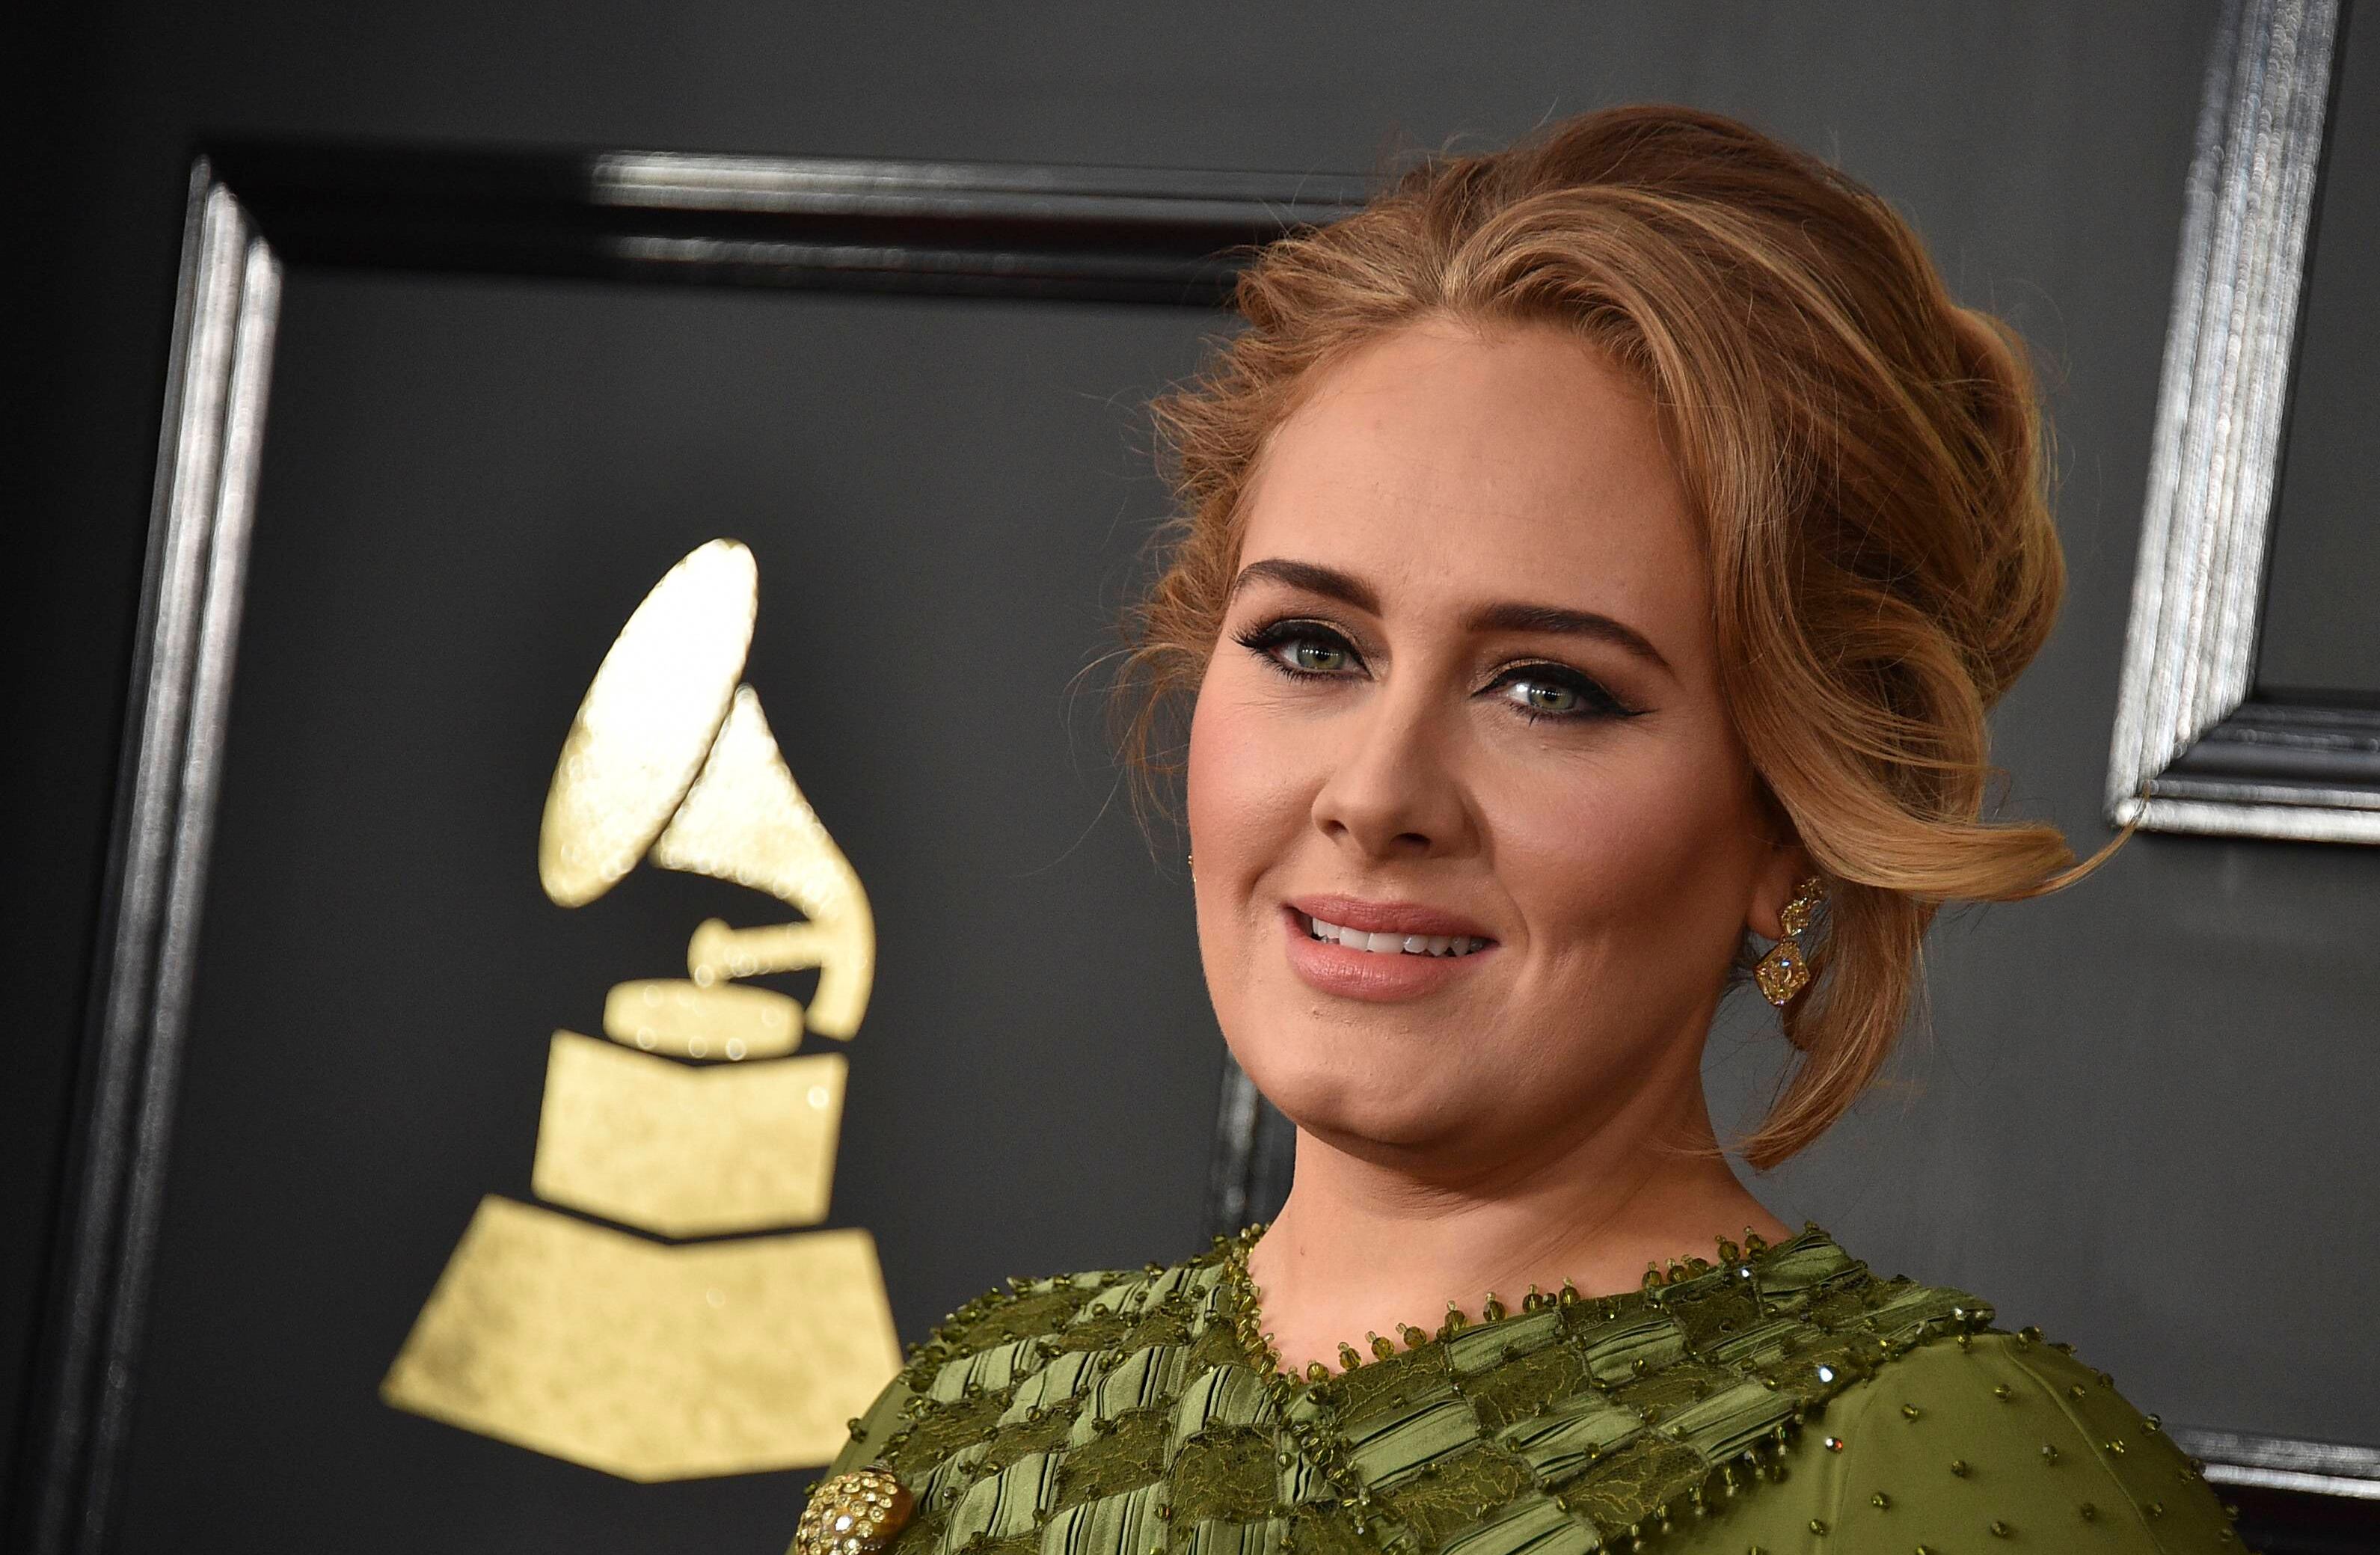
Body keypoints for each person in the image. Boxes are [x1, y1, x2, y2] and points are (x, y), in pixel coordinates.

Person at [788, 105, 2240, 1555]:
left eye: (1550, 687)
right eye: (1311, 645)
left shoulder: (1949, 1474)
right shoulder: (975, 1420)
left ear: (1798, 817)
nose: (1377, 794)